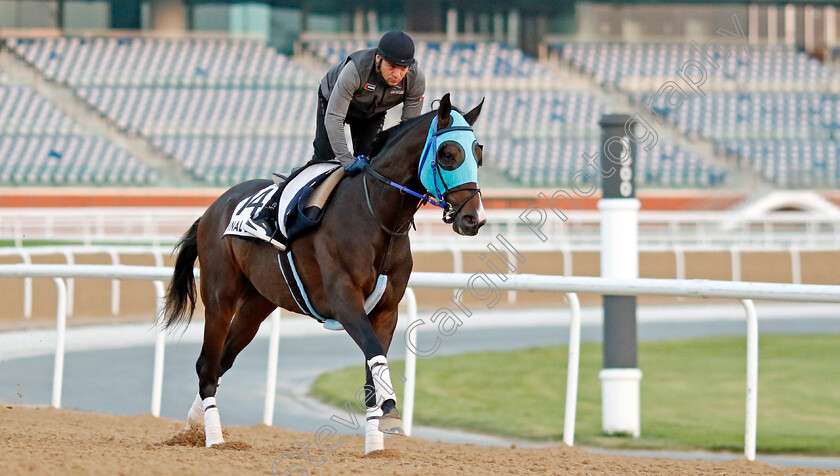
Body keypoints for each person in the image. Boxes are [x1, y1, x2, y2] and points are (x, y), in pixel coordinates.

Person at [244, 30, 426, 248]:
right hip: (334, 103)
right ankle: (267, 213)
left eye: (403, 68)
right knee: (323, 160)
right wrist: (346, 160)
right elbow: (334, 117)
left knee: (372, 164)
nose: (397, 74)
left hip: (371, 113)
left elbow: (406, 131)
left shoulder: (415, 79)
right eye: (392, 67)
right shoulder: (356, 70)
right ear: (379, 59)